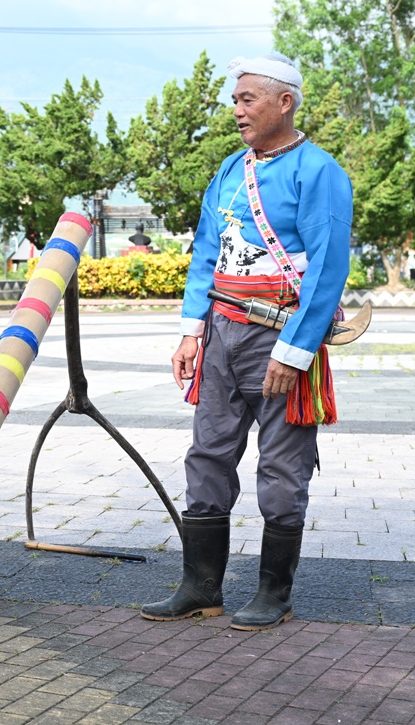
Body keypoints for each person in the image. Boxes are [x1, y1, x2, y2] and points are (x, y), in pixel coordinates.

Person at [141, 53, 352, 631]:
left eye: (247, 99)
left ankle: (272, 593)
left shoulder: (319, 171)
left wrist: (295, 351)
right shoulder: (230, 170)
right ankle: (200, 586)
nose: (237, 111)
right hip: (221, 333)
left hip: (279, 336)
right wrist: (191, 331)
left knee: (283, 469)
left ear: (285, 102)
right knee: (207, 455)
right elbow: (207, 252)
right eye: (235, 101)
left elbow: (328, 269)